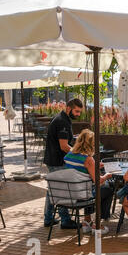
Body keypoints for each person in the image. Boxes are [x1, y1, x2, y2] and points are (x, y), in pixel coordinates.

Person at [64, 129, 114, 234]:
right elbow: (98, 181)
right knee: (108, 189)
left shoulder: (68, 155)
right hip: (82, 195)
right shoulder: (88, 159)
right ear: (91, 144)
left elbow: (80, 169)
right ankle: (97, 224)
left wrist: (94, 165)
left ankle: (87, 221)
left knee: (89, 187)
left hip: (69, 193)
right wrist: (107, 176)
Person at [43, 98, 83, 229]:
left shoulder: (61, 118)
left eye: (79, 112)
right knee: (61, 190)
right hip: (57, 161)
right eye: (76, 111)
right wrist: (77, 156)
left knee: (53, 190)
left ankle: (48, 218)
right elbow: (64, 146)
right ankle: (65, 220)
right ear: (68, 108)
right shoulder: (62, 122)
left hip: (52, 159)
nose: (78, 114)